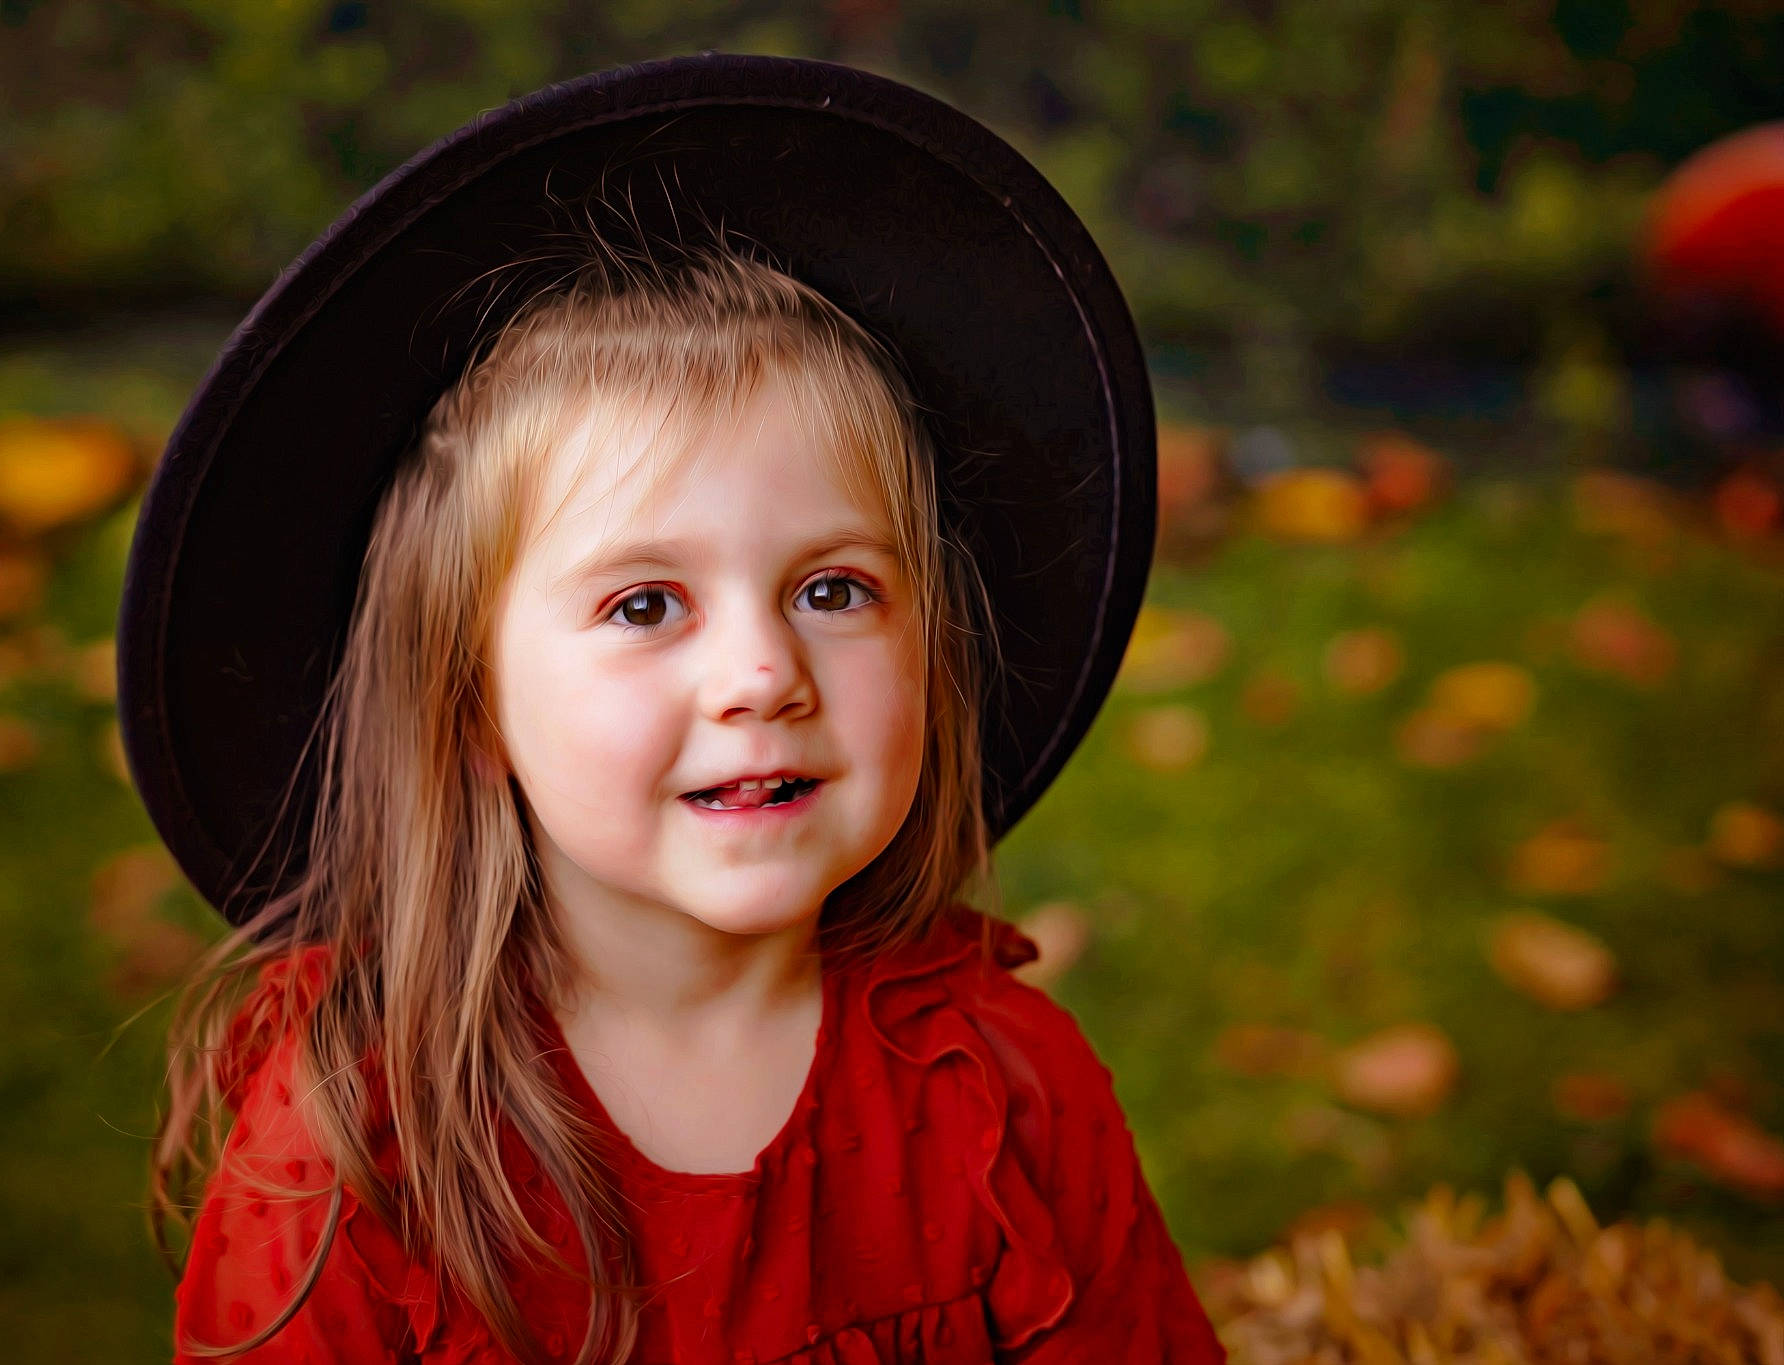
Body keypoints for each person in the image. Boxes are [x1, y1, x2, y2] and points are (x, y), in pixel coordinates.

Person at [117, 54, 1228, 1365]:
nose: (764, 672)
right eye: (647, 605)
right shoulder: (357, 1143)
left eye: (833, 586)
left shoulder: (1003, 1090)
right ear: (471, 705)